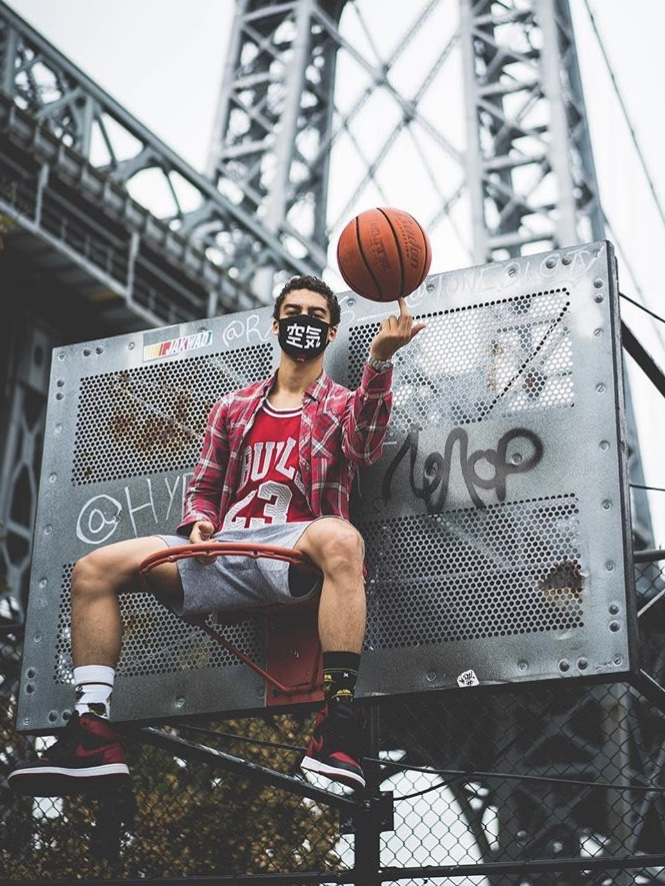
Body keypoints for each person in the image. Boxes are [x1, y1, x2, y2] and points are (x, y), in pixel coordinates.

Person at [8, 274, 425, 796]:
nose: (304, 323)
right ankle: (92, 733)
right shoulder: (234, 407)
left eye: (317, 317)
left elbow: (364, 445)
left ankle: (337, 724)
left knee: (342, 539)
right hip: (225, 549)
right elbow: (204, 489)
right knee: (94, 570)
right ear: (275, 325)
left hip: (292, 549)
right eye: (294, 313)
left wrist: (380, 361)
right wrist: (199, 522)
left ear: (332, 332)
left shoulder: (340, 404)